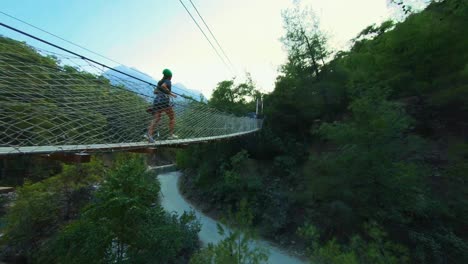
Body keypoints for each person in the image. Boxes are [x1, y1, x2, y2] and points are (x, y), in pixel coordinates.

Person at [145, 68, 178, 142]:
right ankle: (171, 135)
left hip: (157, 101)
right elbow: (164, 86)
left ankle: (149, 135)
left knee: (156, 119)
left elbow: (155, 92)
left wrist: (161, 92)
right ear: (170, 76)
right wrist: (171, 94)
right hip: (164, 102)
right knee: (172, 117)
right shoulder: (168, 81)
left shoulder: (159, 82)